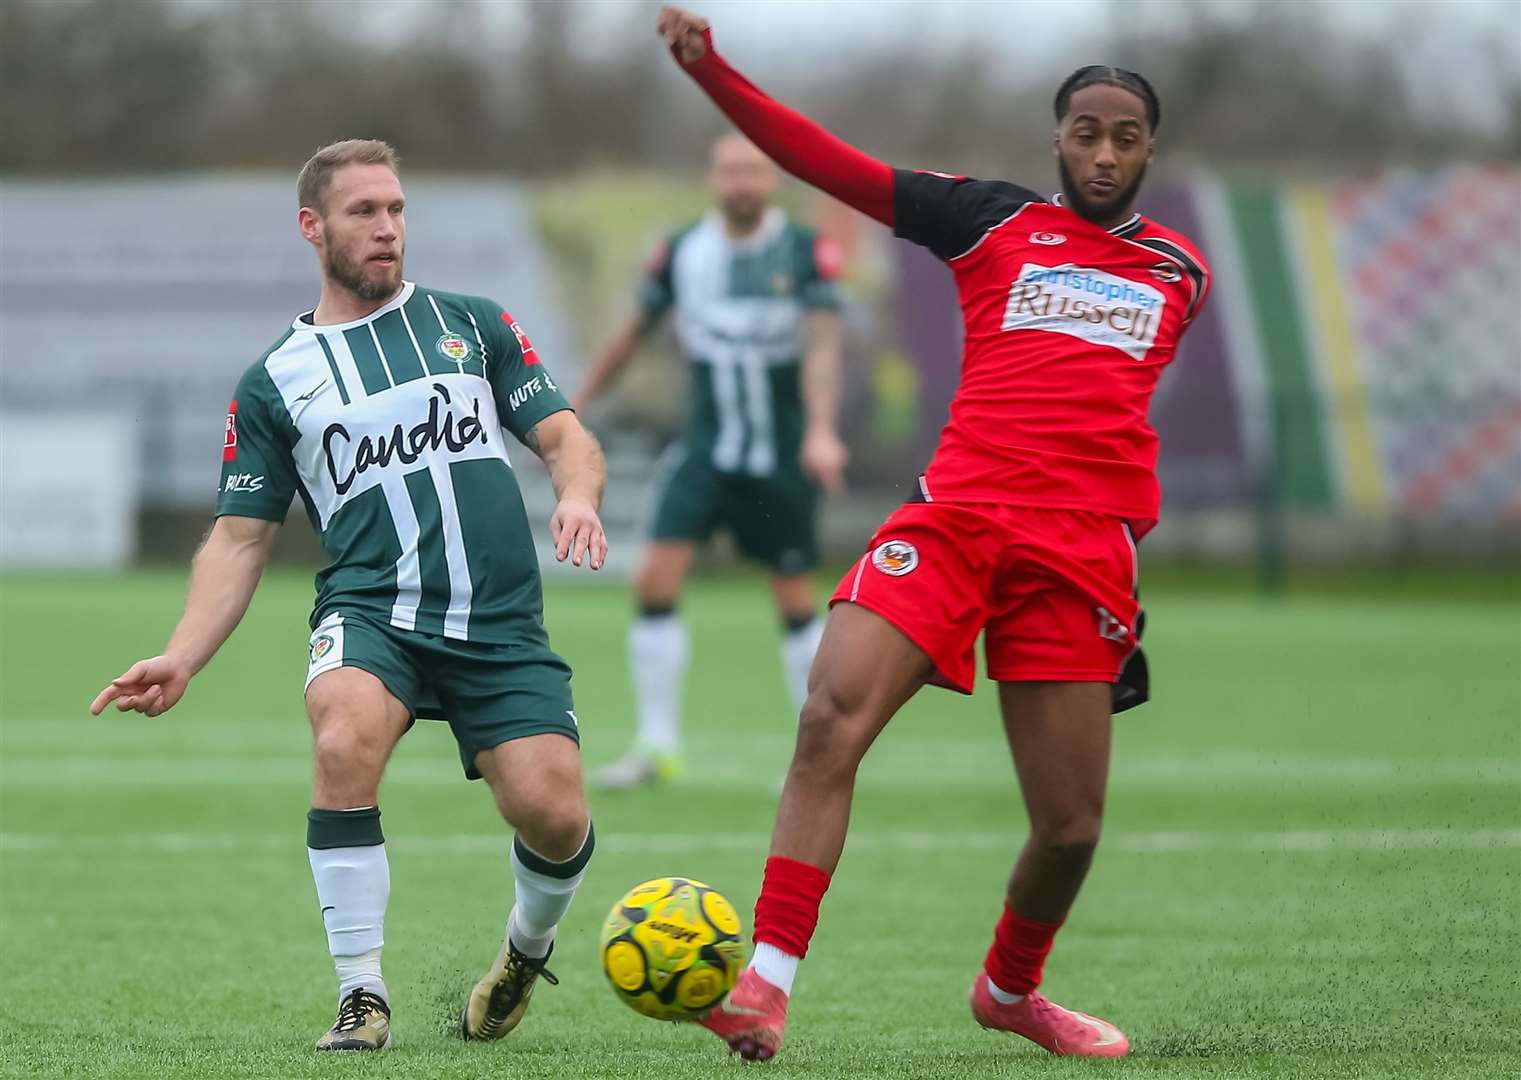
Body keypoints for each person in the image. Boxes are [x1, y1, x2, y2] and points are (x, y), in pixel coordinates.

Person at [656, 7, 1212, 1062]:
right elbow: (825, 161)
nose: (1103, 150)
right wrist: (712, 72)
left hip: (1078, 554)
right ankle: (765, 987)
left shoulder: (1181, 274)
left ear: (1148, 147)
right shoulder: (988, 220)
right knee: (828, 719)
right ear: (1057, 138)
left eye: (1125, 134)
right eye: (1085, 130)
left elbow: (1105, 413)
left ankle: (1011, 989)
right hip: (953, 521)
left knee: (1069, 829)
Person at [89, 139, 608, 1052]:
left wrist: (576, 494)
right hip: (373, 613)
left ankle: (525, 952)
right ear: (312, 227)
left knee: (557, 814)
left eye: (397, 209)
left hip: (497, 622)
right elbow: (241, 536)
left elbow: (565, 436)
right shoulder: (274, 381)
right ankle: (361, 996)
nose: (387, 228)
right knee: (340, 734)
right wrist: (182, 652)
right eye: (365, 211)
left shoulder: (471, 323)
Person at [574, 133, 848, 789]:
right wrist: (573, 403)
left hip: (778, 455)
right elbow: (631, 332)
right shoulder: (682, 251)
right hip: (703, 450)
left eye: (754, 170)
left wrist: (820, 431)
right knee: (653, 582)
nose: (742, 182)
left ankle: (814, 758)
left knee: (792, 596)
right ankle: (656, 748)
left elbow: (821, 348)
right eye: (730, 170)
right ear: (713, 178)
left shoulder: (804, 252)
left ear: (771, 180)